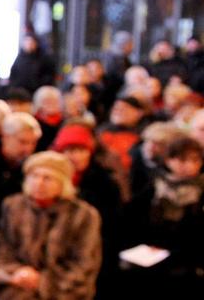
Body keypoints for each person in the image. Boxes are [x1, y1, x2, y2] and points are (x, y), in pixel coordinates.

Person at [0, 151, 102, 300]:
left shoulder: (83, 215)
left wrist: (42, 282)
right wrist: (18, 271)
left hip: (62, 290)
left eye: (47, 178)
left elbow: (84, 263)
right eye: (34, 176)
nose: (39, 183)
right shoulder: (13, 206)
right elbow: (3, 248)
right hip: (16, 284)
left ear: (62, 182)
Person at [121, 137, 204, 298]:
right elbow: (132, 219)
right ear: (168, 160)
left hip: (187, 264)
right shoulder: (154, 186)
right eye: (182, 160)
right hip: (150, 259)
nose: (190, 165)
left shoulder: (201, 190)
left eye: (195, 160)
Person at [52, 123, 123, 298]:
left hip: (93, 253)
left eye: (80, 150)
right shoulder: (50, 181)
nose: (75, 157)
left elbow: (113, 226)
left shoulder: (105, 183)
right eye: (69, 151)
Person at [0, 112, 42, 259]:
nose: (28, 149)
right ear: (5, 137)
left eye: (33, 143)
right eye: (23, 142)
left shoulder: (33, 169)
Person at [97, 96, 145, 201]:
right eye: (116, 108)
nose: (119, 111)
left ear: (139, 113)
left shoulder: (144, 135)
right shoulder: (101, 132)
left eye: (125, 108)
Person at [103, 31, 134, 105]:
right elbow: (120, 76)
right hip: (113, 95)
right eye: (130, 44)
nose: (132, 47)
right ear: (123, 44)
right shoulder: (115, 58)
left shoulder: (123, 57)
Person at [32, 86, 65, 152]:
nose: (51, 104)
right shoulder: (33, 122)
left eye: (54, 101)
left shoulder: (65, 122)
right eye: (47, 101)